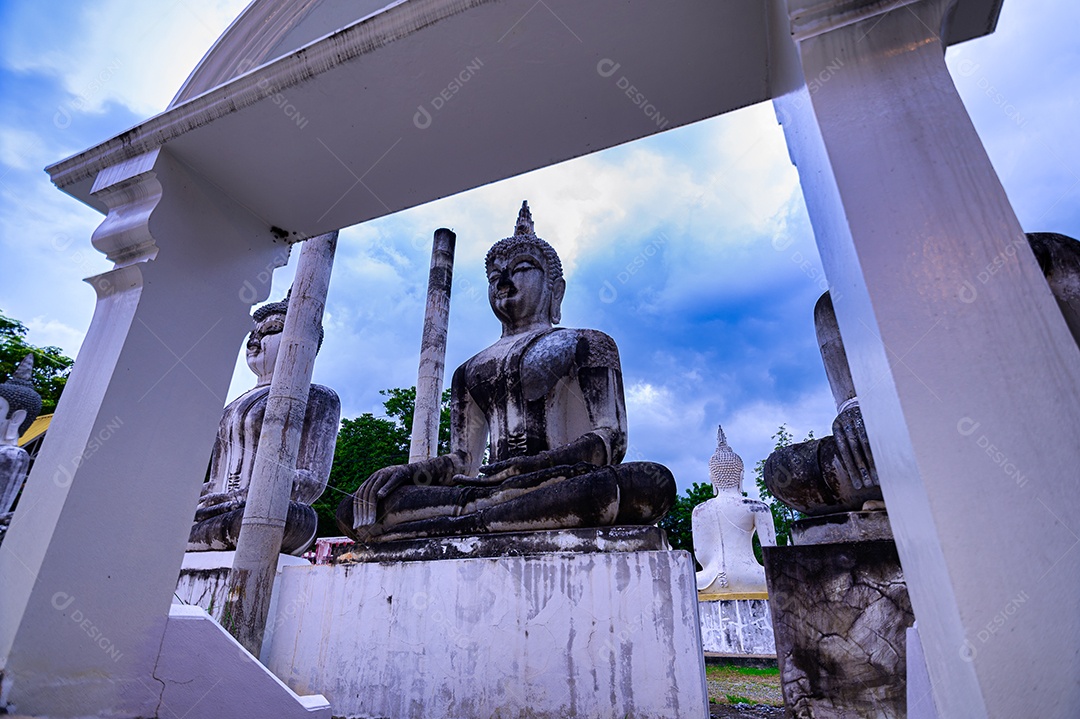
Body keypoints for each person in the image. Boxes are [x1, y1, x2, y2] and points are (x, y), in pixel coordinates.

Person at [337, 202, 675, 542]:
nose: (504, 281)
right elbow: (463, 461)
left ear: (555, 290)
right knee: (359, 505)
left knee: (647, 482)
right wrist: (410, 472)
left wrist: (531, 467)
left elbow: (610, 440)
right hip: (485, 490)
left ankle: (456, 525)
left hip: (559, 481)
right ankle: (489, 516)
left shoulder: (587, 343)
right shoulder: (467, 371)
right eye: (495, 275)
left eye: (521, 268)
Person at [189, 295, 340, 555]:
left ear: (306, 342)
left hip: (266, 511)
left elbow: (311, 479)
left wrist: (239, 498)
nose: (254, 341)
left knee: (272, 520)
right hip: (215, 511)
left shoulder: (317, 397)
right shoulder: (230, 407)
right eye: (252, 334)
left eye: (269, 330)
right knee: (167, 515)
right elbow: (215, 481)